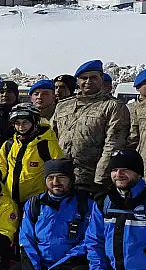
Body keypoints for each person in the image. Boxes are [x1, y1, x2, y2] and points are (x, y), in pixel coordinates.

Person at [0, 158, 94, 270]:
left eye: (61, 177)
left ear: (71, 179)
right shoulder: (34, 204)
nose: (55, 182)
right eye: (50, 178)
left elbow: (88, 241)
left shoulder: (86, 205)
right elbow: (27, 240)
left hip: (71, 265)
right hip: (41, 263)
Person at [52, 59, 130, 193]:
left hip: (91, 178)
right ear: (77, 81)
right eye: (84, 78)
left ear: (101, 79)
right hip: (61, 177)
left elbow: (113, 144)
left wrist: (100, 179)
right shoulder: (63, 106)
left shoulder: (113, 106)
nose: (88, 81)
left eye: (93, 78)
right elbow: (51, 138)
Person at [0, 104, 64, 207]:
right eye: (17, 123)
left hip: (37, 202)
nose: (21, 127)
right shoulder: (9, 145)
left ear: (34, 122)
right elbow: (1, 167)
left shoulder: (47, 145)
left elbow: (59, 170)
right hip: (10, 200)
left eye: (25, 122)